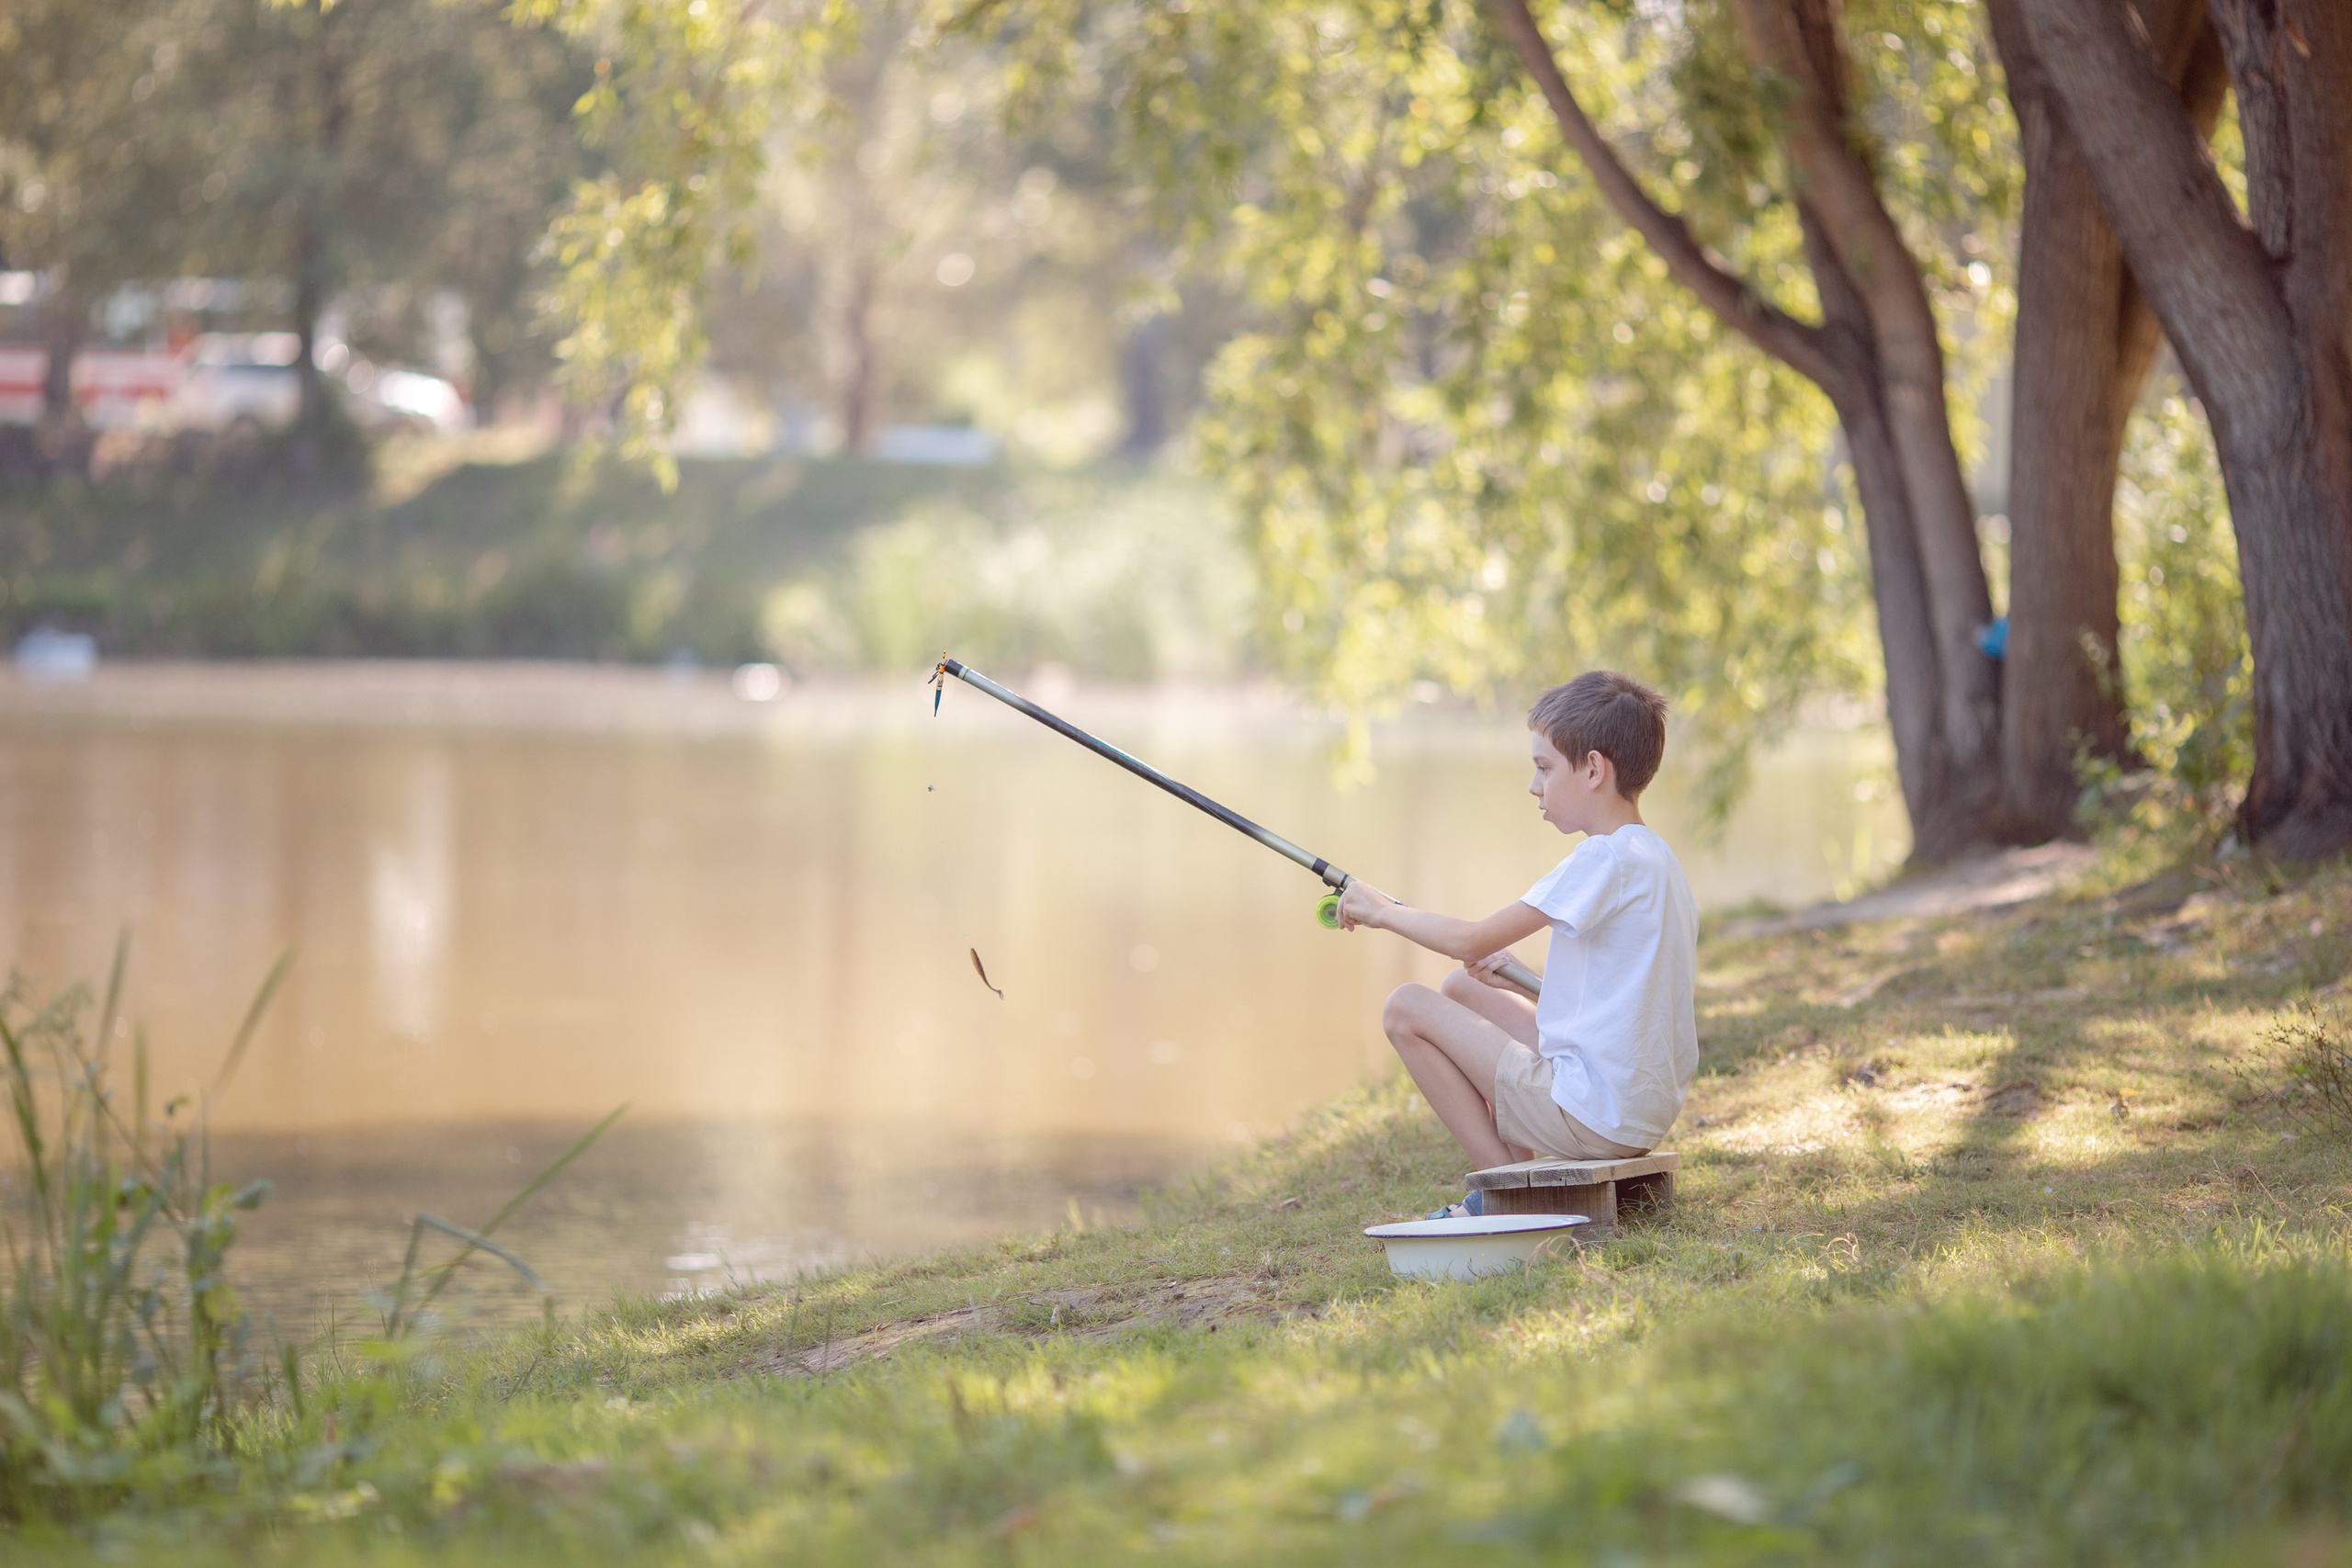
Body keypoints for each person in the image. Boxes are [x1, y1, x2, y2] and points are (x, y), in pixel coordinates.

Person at [1333, 671, 1697, 1215]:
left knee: (1405, 1008)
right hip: (1635, 1106)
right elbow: (1624, 1002)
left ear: (1594, 769)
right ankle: (1514, 1175)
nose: (1534, 786)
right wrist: (1524, 981)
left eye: (1544, 768)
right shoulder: (1656, 858)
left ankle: (1503, 1188)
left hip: (1592, 1114)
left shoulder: (1601, 859)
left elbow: (1470, 936)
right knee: (1462, 985)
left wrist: (1382, 913)